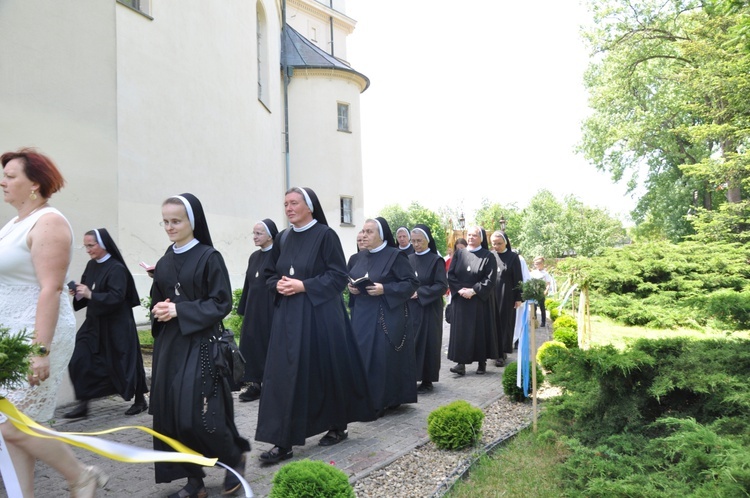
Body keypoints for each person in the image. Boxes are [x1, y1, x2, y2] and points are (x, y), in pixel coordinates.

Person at [0, 148, 108, 497]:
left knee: (11, 426)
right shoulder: (13, 224)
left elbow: (51, 288)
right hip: (10, 334)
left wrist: (39, 350)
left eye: (11, 175)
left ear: (34, 184)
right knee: (15, 425)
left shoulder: (49, 222)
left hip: (37, 334)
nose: (3, 181)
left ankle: (80, 475)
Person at [255, 187, 374, 464]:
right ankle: (282, 441)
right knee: (284, 376)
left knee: (325, 371)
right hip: (289, 316)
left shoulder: (325, 235)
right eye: (285, 203)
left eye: (294, 202)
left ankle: (337, 424)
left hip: (321, 317)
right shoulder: (283, 238)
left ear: (309, 206)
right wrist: (281, 285)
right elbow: (271, 274)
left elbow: (337, 276)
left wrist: (303, 285)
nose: (288, 208)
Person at [149, 193, 250, 497]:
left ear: (192, 221)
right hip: (170, 346)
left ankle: (233, 459)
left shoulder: (209, 257)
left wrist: (180, 310)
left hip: (201, 345)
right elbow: (159, 297)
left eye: (176, 221)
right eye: (165, 221)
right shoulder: (166, 259)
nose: (169, 227)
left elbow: (221, 302)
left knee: (196, 414)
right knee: (168, 416)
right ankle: (194, 481)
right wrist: (159, 309)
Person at [64, 228, 149, 418]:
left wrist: (90, 294)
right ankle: (83, 403)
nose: (88, 250)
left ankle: (140, 400)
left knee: (125, 363)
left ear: (102, 244)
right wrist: (79, 293)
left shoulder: (117, 268)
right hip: (95, 322)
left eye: (91, 245)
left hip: (117, 324)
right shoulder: (91, 265)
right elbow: (87, 295)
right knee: (79, 357)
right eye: (85, 246)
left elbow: (117, 297)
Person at [348, 217, 419, 415]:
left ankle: (380, 401)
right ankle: (363, 399)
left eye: (369, 232)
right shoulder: (359, 257)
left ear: (381, 234)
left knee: (380, 359)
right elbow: (352, 277)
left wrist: (384, 288)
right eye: (363, 231)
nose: (364, 235)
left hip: (385, 315)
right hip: (362, 316)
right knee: (361, 357)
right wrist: (352, 288)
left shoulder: (395, 256)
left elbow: (411, 283)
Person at [237, 219, 278, 402]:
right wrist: (244, 308)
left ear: (270, 235)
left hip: (270, 310)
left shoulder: (278, 255)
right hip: (253, 310)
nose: (254, 237)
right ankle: (255, 384)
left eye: (259, 233)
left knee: (269, 345)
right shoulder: (253, 256)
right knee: (252, 345)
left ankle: (271, 384)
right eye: (253, 233)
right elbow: (248, 284)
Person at [446, 226, 498, 375]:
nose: (471, 238)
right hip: (461, 299)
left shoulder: (488, 256)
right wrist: (461, 290)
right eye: (469, 235)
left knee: (480, 331)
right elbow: (451, 274)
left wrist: (473, 290)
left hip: (479, 300)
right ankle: (460, 363)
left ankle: (482, 363)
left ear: (481, 238)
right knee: (461, 332)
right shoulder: (459, 254)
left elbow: (490, 278)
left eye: (474, 235)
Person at [407, 225, 448, 394]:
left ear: (427, 241)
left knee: (428, 342)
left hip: (429, 308)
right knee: (412, 342)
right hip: (411, 308)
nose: (416, 244)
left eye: (419, 241)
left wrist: (420, 293)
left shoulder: (435, 260)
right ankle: (411, 376)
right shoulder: (408, 259)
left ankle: (427, 379)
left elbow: (441, 285)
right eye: (413, 241)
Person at [490, 231, 523, 366]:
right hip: (491, 295)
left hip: (507, 295)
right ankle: (492, 351)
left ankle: (502, 353)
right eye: (494, 244)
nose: (497, 246)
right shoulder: (490, 256)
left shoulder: (513, 257)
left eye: (499, 243)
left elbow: (518, 278)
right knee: (492, 324)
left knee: (505, 324)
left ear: (505, 243)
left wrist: (518, 297)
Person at [529, 256, 555, 327]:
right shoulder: (533, 273)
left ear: (542, 263)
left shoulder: (545, 273)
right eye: (536, 263)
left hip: (541, 292)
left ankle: (543, 322)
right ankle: (534, 321)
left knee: (542, 307)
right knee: (533, 307)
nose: (537, 265)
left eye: (539, 263)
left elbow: (548, 283)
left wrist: (546, 290)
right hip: (534, 292)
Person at [513, 253, 532, 347]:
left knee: (518, 320)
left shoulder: (519, 259)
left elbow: (525, 277)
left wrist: (521, 296)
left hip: (517, 295)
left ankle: (517, 340)